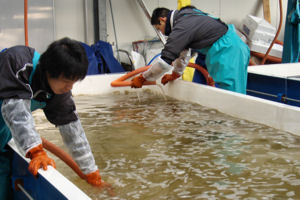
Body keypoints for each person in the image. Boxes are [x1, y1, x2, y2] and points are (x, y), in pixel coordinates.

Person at [0, 37, 103, 199]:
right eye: (66, 81)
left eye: (74, 82)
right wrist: (36, 151)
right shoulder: (18, 62)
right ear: (49, 71)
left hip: (3, 134)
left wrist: (90, 171)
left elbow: (74, 133)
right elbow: (16, 111)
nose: (69, 88)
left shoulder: (58, 93)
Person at [131, 6, 250, 94]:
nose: (161, 32)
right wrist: (175, 74)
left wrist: (143, 78)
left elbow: (164, 63)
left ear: (163, 20)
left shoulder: (181, 27)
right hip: (213, 49)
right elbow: (183, 54)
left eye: (159, 28)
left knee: (232, 94)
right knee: (200, 89)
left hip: (229, 49)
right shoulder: (185, 14)